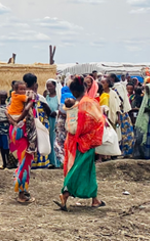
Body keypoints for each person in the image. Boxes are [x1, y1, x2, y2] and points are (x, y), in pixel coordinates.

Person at [56, 75, 105, 211]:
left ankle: (95, 199)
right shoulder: (88, 102)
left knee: (81, 168)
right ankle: (65, 194)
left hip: (73, 141)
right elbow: (97, 121)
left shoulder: (73, 103)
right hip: (85, 142)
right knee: (81, 169)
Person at [7, 74, 39, 204]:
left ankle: (23, 190)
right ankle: (21, 192)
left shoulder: (13, 97)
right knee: (25, 161)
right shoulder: (30, 95)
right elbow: (27, 110)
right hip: (24, 131)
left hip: (16, 131)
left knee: (23, 160)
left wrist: (13, 122)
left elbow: (6, 112)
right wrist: (18, 121)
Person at [42, 79, 61, 168]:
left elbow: (61, 107)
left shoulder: (59, 97)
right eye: (48, 86)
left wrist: (56, 112)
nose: (49, 88)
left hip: (56, 120)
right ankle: (51, 161)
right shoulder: (47, 97)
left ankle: (58, 161)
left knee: (56, 140)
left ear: (55, 86)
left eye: (51, 86)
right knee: (49, 139)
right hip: (49, 120)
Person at [0, 90, 12, 170]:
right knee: (1, 147)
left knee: (6, 147)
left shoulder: (8, 107)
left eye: (4, 97)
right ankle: (4, 163)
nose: (2, 99)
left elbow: (9, 120)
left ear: (6, 98)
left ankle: (7, 163)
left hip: (5, 130)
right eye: (1, 97)